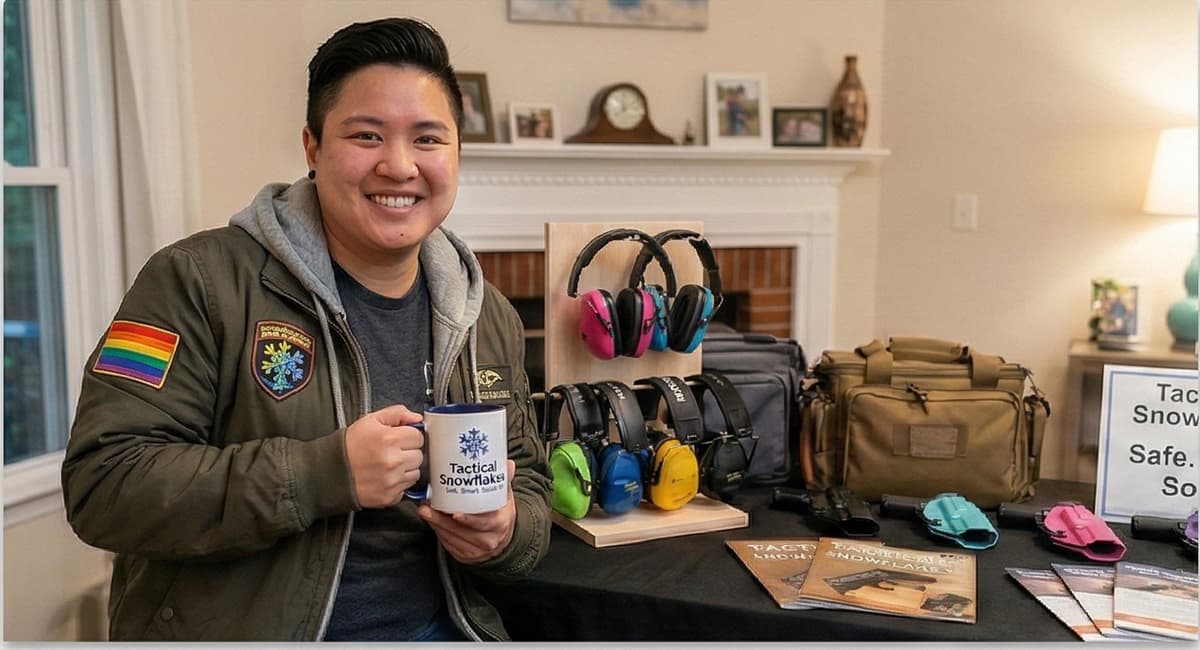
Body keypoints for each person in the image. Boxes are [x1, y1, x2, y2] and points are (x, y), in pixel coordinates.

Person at [61, 17, 551, 642]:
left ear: (456, 154)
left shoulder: (490, 316)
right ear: (313, 148)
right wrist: (324, 475)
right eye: (367, 135)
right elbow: (105, 484)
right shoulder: (195, 281)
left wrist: (505, 533)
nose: (400, 166)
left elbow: (528, 479)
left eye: (428, 139)